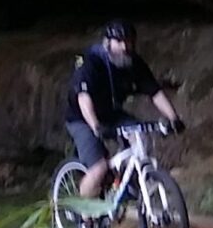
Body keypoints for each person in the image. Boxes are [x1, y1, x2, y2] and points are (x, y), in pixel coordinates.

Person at [63, 20, 183, 208]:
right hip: (82, 118)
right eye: (119, 42)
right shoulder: (92, 62)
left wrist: (173, 118)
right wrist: (95, 126)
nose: (125, 47)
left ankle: (125, 184)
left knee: (140, 138)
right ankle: (84, 215)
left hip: (111, 113)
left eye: (129, 42)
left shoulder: (134, 63)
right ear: (107, 42)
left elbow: (155, 92)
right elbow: (83, 98)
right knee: (99, 168)